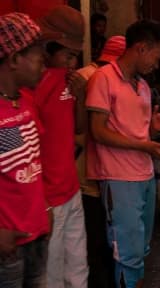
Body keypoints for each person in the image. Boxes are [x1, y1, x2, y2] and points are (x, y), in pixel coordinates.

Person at [86, 19, 160, 288]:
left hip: (144, 174)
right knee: (126, 252)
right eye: (155, 57)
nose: (156, 65)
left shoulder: (143, 87)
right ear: (141, 48)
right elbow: (98, 132)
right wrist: (143, 145)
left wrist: (154, 132)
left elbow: (139, 133)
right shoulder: (103, 78)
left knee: (140, 249)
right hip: (118, 178)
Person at [26, 5, 90, 288]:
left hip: (70, 190)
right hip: (48, 198)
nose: (72, 62)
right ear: (48, 49)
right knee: (51, 277)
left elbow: (77, 129)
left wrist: (80, 96)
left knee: (77, 270)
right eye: (67, 54)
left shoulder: (67, 80)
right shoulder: (31, 87)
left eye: (75, 55)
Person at [0, 12, 50, 288]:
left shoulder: (27, 103)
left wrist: (45, 206)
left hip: (37, 235)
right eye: (38, 58)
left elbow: (32, 163)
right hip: (8, 245)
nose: (43, 66)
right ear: (14, 59)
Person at [76, 35, 126, 288]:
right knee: (100, 238)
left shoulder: (84, 75)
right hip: (94, 172)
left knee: (97, 238)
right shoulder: (99, 78)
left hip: (92, 172)